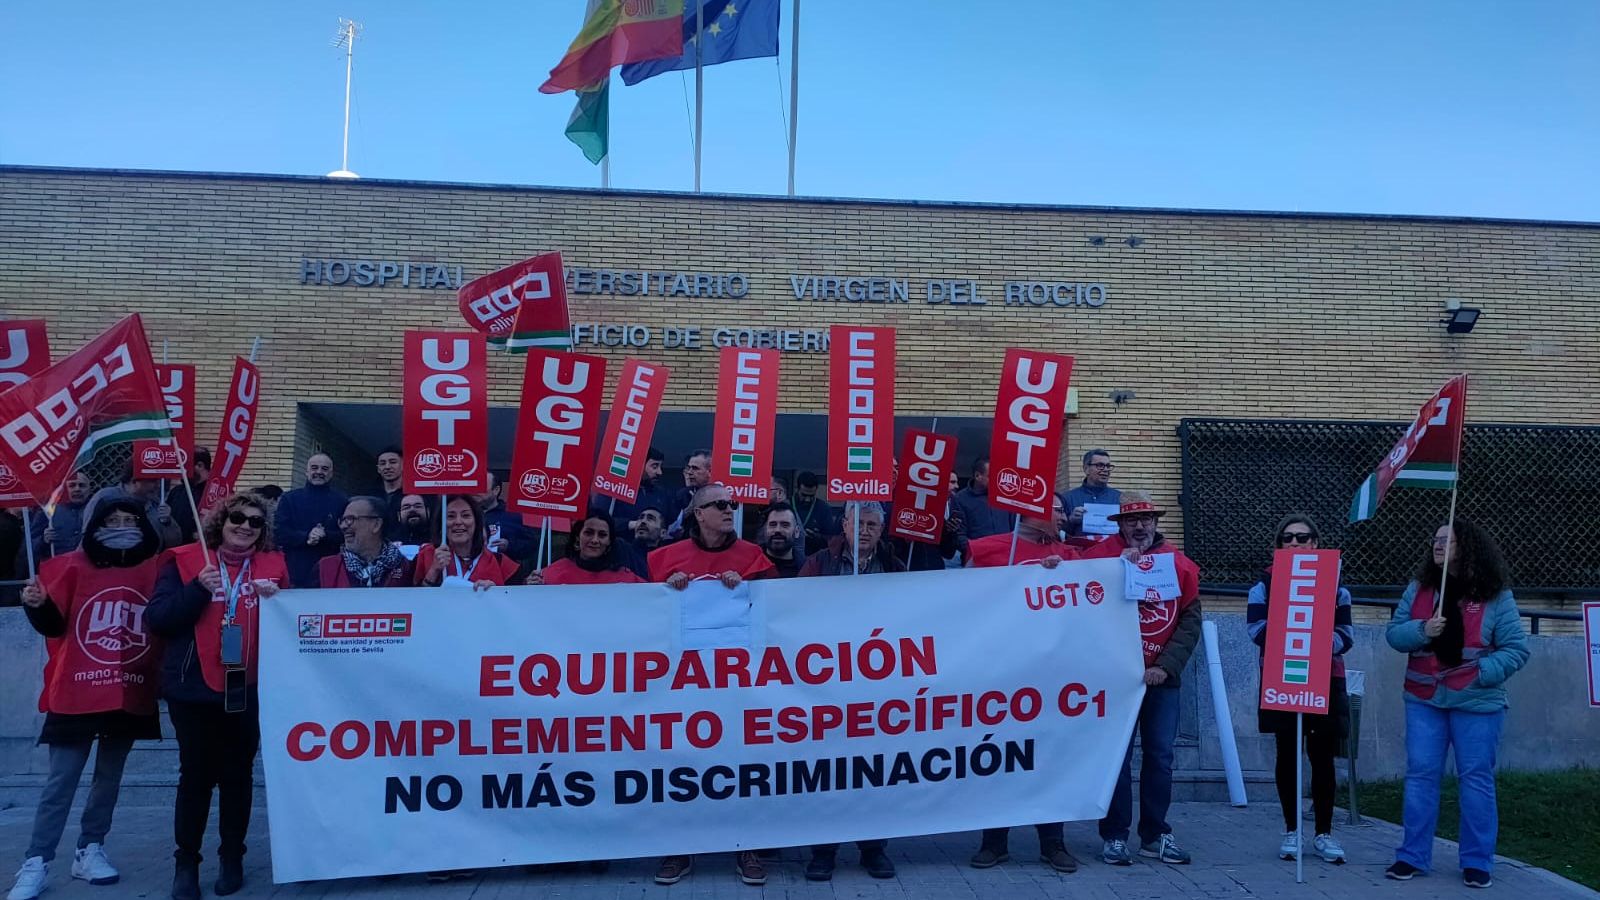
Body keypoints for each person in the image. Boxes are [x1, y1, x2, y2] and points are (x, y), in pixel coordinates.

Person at [6, 498, 165, 900]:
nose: (123, 527)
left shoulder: (156, 569)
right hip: (75, 689)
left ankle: (90, 848)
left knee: (108, 778)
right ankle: (37, 860)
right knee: (61, 781)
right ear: (96, 525)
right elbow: (54, 625)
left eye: (130, 520)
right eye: (113, 520)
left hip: (130, 686)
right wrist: (37, 606)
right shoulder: (72, 565)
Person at [146, 492, 289, 900]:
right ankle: (186, 863)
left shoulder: (275, 567)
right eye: (237, 517)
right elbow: (158, 619)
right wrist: (197, 589)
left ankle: (232, 857)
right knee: (195, 777)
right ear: (220, 522)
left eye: (255, 522)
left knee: (237, 775)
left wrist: (279, 601)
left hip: (248, 687)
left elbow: (295, 624)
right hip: (193, 688)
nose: (245, 526)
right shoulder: (184, 561)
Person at [1384, 519, 1529, 889]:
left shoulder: (1496, 595)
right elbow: (1394, 635)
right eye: (1435, 540)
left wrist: (1483, 671)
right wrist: (1422, 630)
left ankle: (1477, 862)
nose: (1438, 545)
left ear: (1467, 547)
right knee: (1420, 775)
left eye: (1447, 541)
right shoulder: (1419, 588)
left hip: (1477, 701)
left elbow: (1517, 649)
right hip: (1424, 699)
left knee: (1475, 779)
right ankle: (1411, 856)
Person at [647, 483, 775, 887]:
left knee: (741, 763)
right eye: (720, 504)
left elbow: (776, 612)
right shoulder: (664, 559)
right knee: (682, 764)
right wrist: (665, 592)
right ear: (698, 513)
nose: (729, 509)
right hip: (682, 684)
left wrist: (749, 588)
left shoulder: (753, 557)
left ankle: (746, 846)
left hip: (739, 683)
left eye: (732, 503)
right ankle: (680, 848)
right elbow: (640, 615)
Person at [1081, 491, 1202, 867]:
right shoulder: (1098, 559)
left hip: (1161, 679)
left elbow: (1190, 621)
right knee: (1115, 759)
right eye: (1131, 520)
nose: (1139, 526)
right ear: (1120, 525)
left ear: (1155, 522)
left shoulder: (1178, 563)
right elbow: (1075, 600)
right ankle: (1114, 836)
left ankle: (1155, 834)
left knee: (1161, 757)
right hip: (1116, 680)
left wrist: (1165, 666)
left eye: (1146, 519)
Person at [964, 495, 1080, 874]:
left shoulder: (1071, 556)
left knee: (1049, 759)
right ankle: (994, 842)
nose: (1063, 516)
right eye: (1057, 509)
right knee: (998, 758)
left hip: (1051, 679)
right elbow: (959, 602)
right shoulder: (987, 550)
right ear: (1032, 512)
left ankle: (1053, 842)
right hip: (1000, 676)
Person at [793, 501, 898, 882]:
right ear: (844, 526)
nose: (864, 530)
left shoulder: (895, 565)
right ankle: (824, 851)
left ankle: (873, 848)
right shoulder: (819, 563)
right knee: (828, 771)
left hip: (876, 683)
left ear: (881, 530)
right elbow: (795, 611)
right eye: (858, 523)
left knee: (873, 770)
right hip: (828, 682)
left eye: (872, 524)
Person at [1246, 514, 1353, 864]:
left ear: (1315, 543)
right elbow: (1255, 630)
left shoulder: (1336, 586)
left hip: (1325, 677)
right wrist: (1293, 636)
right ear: (1278, 546)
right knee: (1287, 753)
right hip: (1283, 677)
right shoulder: (1263, 585)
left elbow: (1346, 636)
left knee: (1322, 757)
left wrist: (1317, 642)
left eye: (1302, 537)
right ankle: (1292, 830)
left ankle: (1324, 833)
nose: (1294, 543)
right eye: (1287, 538)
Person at [273, 454, 347, 590]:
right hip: (295, 573)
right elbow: (279, 533)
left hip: (330, 574)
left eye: (324, 469)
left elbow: (347, 534)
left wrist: (325, 535)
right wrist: (306, 536)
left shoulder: (341, 501)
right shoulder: (289, 499)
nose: (319, 472)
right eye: (314, 468)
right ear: (306, 471)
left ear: (331, 474)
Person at [415, 495, 520, 589]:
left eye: (465, 515)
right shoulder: (425, 555)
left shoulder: (500, 562)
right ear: (441, 523)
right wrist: (433, 571)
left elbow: (516, 600)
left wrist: (494, 593)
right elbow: (412, 600)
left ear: (476, 522)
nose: (458, 522)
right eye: (451, 516)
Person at [316, 497, 414, 588]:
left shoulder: (407, 568)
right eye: (343, 520)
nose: (344, 526)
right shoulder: (325, 568)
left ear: (376, 524)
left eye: (351, 519)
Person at [83, 462, 182, 548]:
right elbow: (88, 535)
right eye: (152, 481)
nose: (158, 485)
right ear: (134, 481)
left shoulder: (156, 504)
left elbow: (174, 543)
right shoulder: (105, 498)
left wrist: (168, 523)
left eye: (159, 480)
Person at [536, 513, 645, 586]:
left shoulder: (626, 580)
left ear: (609, 541)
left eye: (602, 535)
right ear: (578, 536)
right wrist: (531, 587)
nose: (595, 540)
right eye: (588, 533)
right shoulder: (552, 574)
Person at [949, 457, 1014, 558]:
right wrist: (975, 551)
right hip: (977, 559)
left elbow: (1015, 528)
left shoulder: (1005, 495)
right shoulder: (960, 499)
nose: (996, 480)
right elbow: (959, 534)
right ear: (977, 476)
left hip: (1006, 557)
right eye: (991, 476)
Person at [30, 470, 93, 559]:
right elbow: (29, 545)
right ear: (64, 489)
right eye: (72, 485)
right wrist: (43, 540)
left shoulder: (97, 509)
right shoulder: (49, 510)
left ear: (89, 489)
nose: (77, 489)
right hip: (59, 563)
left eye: (82, 485)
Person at [1061, 449, 1121, 539]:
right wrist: (1070, 521)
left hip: (1113, 548)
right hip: (1079, 548)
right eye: (1100, 465)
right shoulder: (1068, 498)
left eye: (1108, 466)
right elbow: (1056, 533)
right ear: (1086, 469)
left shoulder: (1119, 498)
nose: (1105, 470)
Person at [482, 471, 536, 565]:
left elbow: (531, 545)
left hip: (502, 570)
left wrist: (509, 545)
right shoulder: (464, 513)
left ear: (496, 490)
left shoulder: (513, 515)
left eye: (482, 487)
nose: (477, 491)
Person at [169, 448, 214, 544]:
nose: (181, 471)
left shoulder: (216, 492)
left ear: (200, 465)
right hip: (176, 548)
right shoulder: (176, 492)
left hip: (203, 548)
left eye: (185, 467)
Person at [791, 471, 839, 555]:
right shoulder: (787, 505)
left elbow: (832, 539)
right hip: (790, 554)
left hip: (814, 555)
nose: (807, 499)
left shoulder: (823, 508)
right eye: (804, 495)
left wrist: (817, 537)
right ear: (797, 489)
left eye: (811, 496)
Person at [758, 502, 806, 578]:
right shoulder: (750, 563)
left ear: (797, 532)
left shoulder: (809, 569)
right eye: (773, 525)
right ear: (765, 530)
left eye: (785, 525)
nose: (778, 530)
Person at [375, 446, 404, 537]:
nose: (387, 467)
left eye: (393, 462)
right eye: (382, 463)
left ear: (403, 465)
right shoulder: (371, 496)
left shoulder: (413, 496)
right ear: (378, 469)